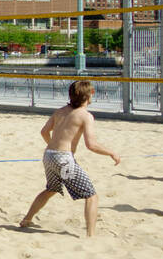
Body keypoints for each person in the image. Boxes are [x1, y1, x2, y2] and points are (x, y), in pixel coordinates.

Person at [19, 80, 121, 237]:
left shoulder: (60, 111)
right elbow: (91, 144)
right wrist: (111, 153)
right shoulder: (85, 116)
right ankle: (91, 235)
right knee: (91, 196)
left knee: (51, 189)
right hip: (63, 159)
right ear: (91, 94)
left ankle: (26, 219)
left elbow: (44, 132)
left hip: (49, 156)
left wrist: (54, 146)